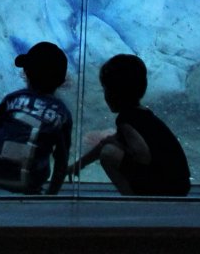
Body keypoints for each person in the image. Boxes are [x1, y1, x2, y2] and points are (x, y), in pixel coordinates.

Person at [69, 53, 191, 196]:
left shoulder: (126, 120)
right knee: (108, 147)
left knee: (108, 154)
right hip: (179, 185)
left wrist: (118, 145)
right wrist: (79, 164)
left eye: (106, 90)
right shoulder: (143, 115)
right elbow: (107, 142)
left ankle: (134, 202)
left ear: (113, 93)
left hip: (166, 190)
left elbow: (142, 155)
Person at [0, 41, 72, 195]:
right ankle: (35, 191)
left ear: (26, 72)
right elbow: (61, 160)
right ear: (62, 81)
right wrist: (52, 194)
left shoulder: (13, 99)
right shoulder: (63, 113)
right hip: (32, 181)